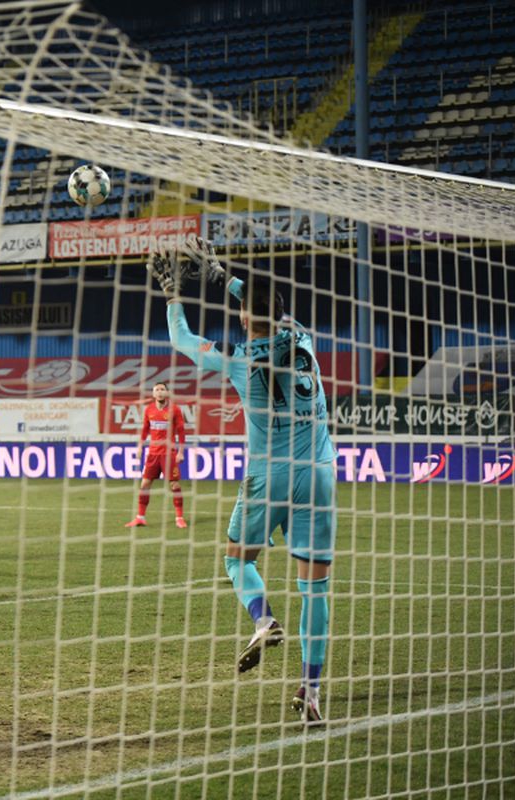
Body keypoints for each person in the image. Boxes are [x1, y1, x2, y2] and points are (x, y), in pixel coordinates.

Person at [151, 238, 336, 725]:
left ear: (242, 319)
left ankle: (263, 618)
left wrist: (174, 295)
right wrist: (222, 275)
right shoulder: (302, 339)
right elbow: (263, 305)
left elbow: (183, 342)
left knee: (237, 560)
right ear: (278, 312)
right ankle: (311, 693)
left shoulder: (236, 359)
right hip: (318, 476)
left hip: (267, 476)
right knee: (316, 589)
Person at [126, 382, 187, 529]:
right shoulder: (149, 410)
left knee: (174, 484)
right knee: (144, 484)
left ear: (167, 393)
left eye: (162, 390)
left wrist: (180, 452)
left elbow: (181, 432)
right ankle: (140, 517)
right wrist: (140, 446)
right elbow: (145, 430)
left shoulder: (175, 409)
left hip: (169, 453)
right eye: (157, 390)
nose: (160, 392)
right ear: (153, 394)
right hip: (153, 453)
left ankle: (179, 517)